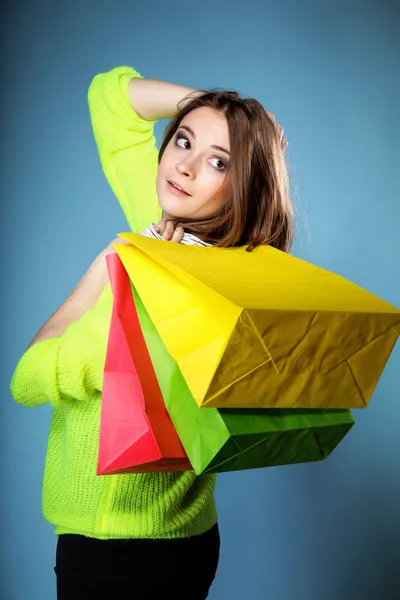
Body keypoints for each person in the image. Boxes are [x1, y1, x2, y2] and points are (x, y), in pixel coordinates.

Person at [10, 65, 293, 600]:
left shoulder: (159, 284)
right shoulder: (220, 257)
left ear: (242, 186)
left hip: (113, 544)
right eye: (183, 140)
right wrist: (221, 111)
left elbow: (28, 377)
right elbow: (112, 99)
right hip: (190, 531)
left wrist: (106, 267)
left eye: (217, 161)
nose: (183, 166)